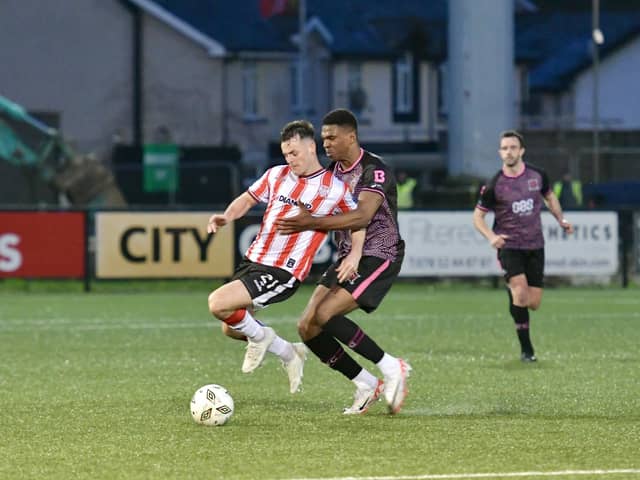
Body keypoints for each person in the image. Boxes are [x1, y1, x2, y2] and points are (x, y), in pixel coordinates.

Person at [206, 119, 359, 394]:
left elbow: (358, 222)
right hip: (253, 261)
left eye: (295, 153)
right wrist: (226, 216)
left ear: (312, 148)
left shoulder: (334, 188)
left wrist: (355, 254)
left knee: (218, 303)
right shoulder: (276, 175)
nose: (290, 159)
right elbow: (248, 198)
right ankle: (289, 352)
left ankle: (264, 339)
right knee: (230, 327)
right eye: (286, 154)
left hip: (283, 270)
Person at [275, 108, 411, 415]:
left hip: (379, 254)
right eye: (323, 138)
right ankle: (366, 384)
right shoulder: (332, 173)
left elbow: (362, 215)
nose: (326, 143)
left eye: (332, 137)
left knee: (326, 314)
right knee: (307, 326)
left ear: (351, 137)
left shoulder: (374, 170)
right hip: (349, 255)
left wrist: (312, 223)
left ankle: (392, 367)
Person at [472, 130, 574, 362]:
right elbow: (477, 217)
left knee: (532, 303)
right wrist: (491, 237)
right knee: (520, 292)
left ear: (521, 150)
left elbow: (549, 197)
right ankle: (527, 351)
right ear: (500, 152)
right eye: (505, 148)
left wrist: (561, 220)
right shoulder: (494, 184)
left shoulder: (538, 175)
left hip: (535, 245)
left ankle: (514, 293)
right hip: (509, 245)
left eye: (513, 147)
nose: (509, 152)